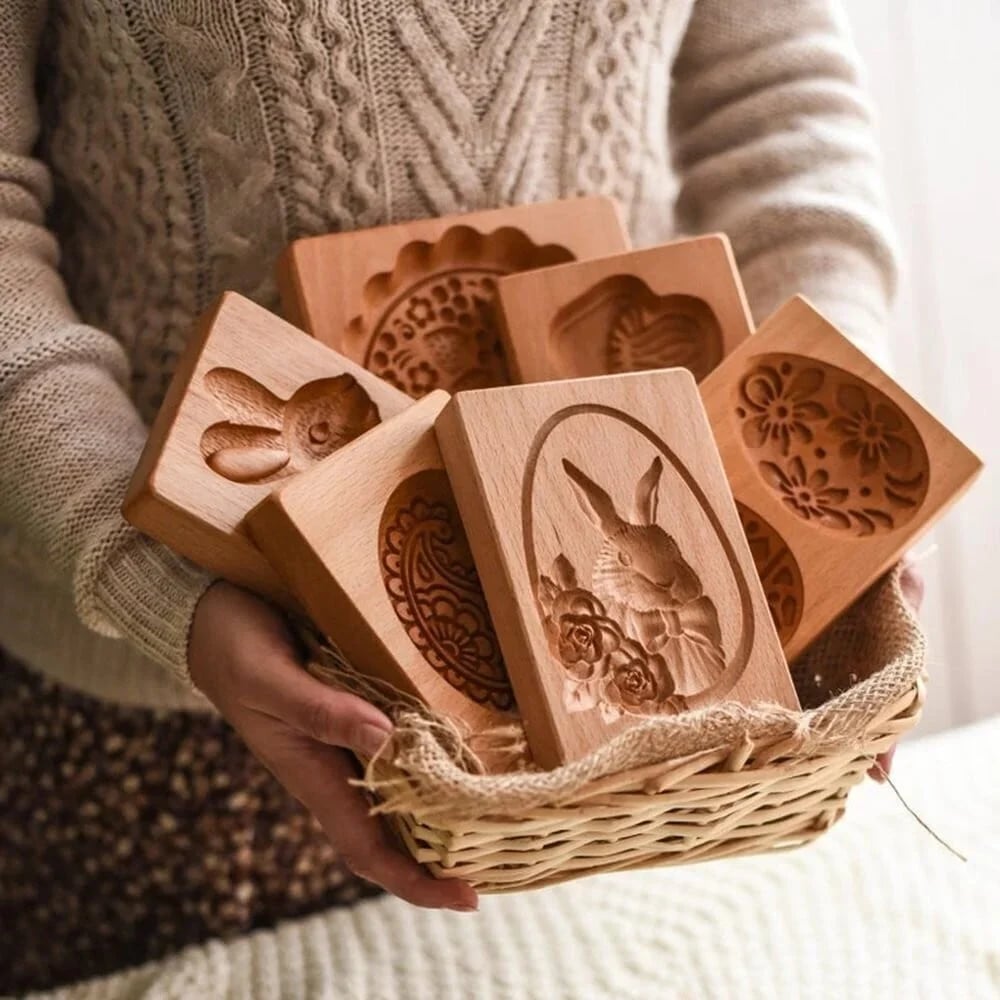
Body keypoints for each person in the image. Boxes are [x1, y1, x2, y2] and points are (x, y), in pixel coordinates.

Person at [0, 1, 917, 992]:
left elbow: (779, 117)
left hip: (606, 745)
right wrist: (146, 580)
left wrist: (823, 476)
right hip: (163, 729)